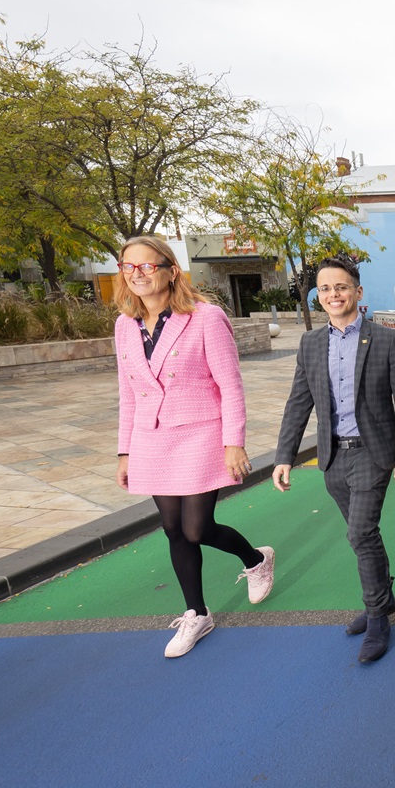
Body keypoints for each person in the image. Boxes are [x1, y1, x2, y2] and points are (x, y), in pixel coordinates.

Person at [113, 235, 274, 659]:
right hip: (151, 438)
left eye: (147, 265)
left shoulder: (206, 317)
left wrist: (233, 442)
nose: (137, 274)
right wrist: (125, 451)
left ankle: (255, 559)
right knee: (172, 528)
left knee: (196, 529)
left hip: (200, 433)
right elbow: (128, 394)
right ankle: (197, 613)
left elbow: (230, 385)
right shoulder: (124, 325)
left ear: (171, 271)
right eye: (129, 266)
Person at [271, 256, 395, 664]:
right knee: (364, 536)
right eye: (326, 289)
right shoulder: (310, 343)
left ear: (357, 291)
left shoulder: (385, 340)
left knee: (360, 533)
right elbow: (298, 402)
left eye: (341, 287)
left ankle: (377, 618)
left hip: (373, 451)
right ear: (319, 296)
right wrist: (284, 456)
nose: (333, 294)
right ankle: (383, 598)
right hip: (332, 456)